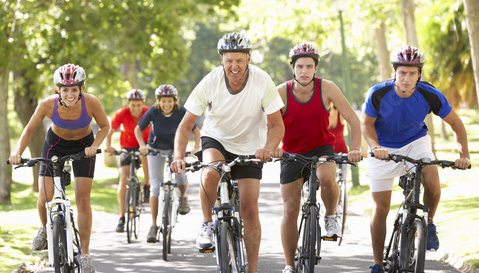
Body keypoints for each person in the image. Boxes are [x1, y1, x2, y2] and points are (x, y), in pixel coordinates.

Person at [171, 32, 285, 273]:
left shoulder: (262, 81)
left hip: (251, 145)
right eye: (229, 60)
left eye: (240, 60)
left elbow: (277, 125)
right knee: (211, 172)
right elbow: (185, 124)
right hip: (217, 138)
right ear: (221, 60)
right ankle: (206, 224)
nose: (234, 66)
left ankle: (252, 269)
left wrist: (268, 148)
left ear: (249, 59)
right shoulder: (210, 81)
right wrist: (178, 156)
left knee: (250, 209)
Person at [361, 46, 471, 273]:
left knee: (432, 180)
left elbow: (457, 124)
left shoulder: (430, 94)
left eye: (412, 73)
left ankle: (428, 224)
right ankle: (377, 264)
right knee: (380, 208)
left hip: (415, 141)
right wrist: (375, 147)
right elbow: (366, 124)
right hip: (383, 147)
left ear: (419, 74)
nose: (407, 78)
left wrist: (464, 156)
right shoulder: (378, 93)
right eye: (402, 72)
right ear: (394, 72)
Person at [9, 63, 109, 273]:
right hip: (55, 144)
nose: (70, 94)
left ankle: (85, 255)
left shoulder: (91, 103)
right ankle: (46, 230)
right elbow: (28, 130)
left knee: (83, 199)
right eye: (65, 89)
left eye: (74, 89)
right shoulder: (47, 104)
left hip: (84, 146)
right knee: (45, 196)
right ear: (58, 90)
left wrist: (94, 146)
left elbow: (105, 126)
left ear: (82, 88)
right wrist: (17, 152)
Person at [275, 43, 362, 273]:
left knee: (326, 178)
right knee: (291, 209)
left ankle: (330, 217)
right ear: (293, 67)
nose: (305, 71)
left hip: (321, 147)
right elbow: (266, 125)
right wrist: (270, 147)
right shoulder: (280, 92)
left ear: (315, 68)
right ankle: (289, 265)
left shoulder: (327, 88)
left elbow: (353, 119)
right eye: (300, 66)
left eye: (309, 66)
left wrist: (355, 148)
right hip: (291, 153)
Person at [135, 84, 201, 243]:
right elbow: (138, 129)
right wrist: (142, 145)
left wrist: (196, 147)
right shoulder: (153, 112)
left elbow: (195, 130)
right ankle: (153, 225)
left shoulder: (181, 111)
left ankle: (183, 197)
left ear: (174, 101)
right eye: (163, 101)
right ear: (158, 101)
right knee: (155, 187)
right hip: (155, 149)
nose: (166, 104)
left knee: (180, 177)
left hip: (176, 150)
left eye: (169, 101)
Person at [105, 89, 151, 233]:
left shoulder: (148, 112)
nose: (136, 108)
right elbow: (110, 130)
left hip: (145, 145)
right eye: (133, 105)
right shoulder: (122, 113)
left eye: (138, 105)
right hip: (126, 147)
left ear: (143, 103)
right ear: (128, 104)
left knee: (145, 156)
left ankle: (147, 186)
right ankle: (121, 217)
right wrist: (108, 145)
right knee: (123, 179)